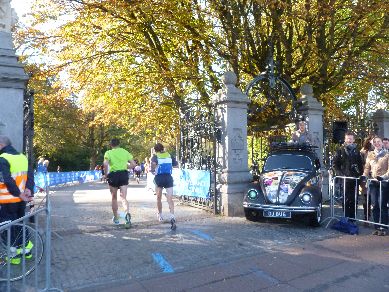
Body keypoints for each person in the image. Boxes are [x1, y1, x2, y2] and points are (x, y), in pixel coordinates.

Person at [0, 135, 34, 264]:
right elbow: (30, 175)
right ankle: (26, 251)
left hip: (8, 200)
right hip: (21, 200)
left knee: (8, 227)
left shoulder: (3, 158)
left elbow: (6, 179)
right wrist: (28, 190)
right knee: (20, 225)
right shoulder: (22, 157)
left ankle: (14, 257)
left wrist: (18, 193)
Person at [103, 138, 135, 228]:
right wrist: (125, 166)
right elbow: (133, 165)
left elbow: (105, 164)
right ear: (119, 144)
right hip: (123, 174)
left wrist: (106, 175)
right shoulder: (125, 152)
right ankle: (127, 215)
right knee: (123, 197)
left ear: (111, 145)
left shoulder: (108, 153)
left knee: (114, 198)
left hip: (113, 175)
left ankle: (116, 219)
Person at [362, 136, 389, 236]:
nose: (377, 143)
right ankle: (377, 226)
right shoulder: (370, 154)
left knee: (382, 204)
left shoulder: (387, 154)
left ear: (382, 143)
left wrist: (384, 177)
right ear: (373, 144)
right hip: (373, 183)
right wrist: (364, 176)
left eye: (379, 142)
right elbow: (367, 168)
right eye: (375, 142)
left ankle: (384, 226)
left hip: (384, 183)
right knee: (374, 205)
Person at [333, 131, 363, 220]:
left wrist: (360, 176)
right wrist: (341, 175)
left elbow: (360, 165)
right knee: (346, 199)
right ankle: (346, 218)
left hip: (355, 179)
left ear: (353, 140)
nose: (349, 140)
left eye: (351, 138)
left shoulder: (357, 151)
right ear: (345, 139)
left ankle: (353, 219)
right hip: (344, 179)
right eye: (347, 138)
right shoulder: (340, 150)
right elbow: (335, 165)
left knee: (354, 199)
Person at [150, 143, 178, 230]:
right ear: (163, 148)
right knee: (170, 198)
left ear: (155, 150)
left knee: (158, 197)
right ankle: (172, 216)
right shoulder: (170, 155)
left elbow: (153, 164)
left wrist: (152, 169)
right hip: (168, 177)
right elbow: (176, 165)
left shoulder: (155, 156)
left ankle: (160, 215)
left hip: (159, 177)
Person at [360, 135, 374, 221]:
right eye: (372, 140)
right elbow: (360, 163)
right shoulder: (363, 151)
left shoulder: (379, 150)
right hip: (366, 177)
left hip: (375, 177)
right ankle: (367, 216)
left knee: (376, 198)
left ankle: (378, 218)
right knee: (366, 198)